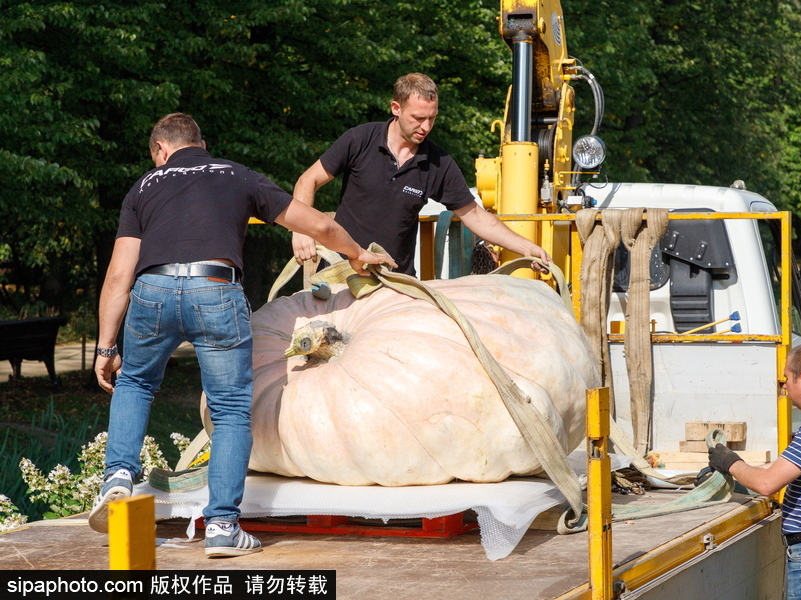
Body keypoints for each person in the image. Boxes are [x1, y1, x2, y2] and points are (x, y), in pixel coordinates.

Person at [89, 113, 394, 557]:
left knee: (135, 382)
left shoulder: (144, 187)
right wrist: (357, 254)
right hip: (215, 288)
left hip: (152, 290)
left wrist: (105, 346)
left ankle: (117, 476)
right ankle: (222, 527)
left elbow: (118, 275)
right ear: (202, 144)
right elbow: (320, 227)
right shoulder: (236, 175)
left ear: (160, 151)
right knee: (230, 408)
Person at [290, 72, 551, 276]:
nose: (426, 127)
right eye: (418, 118)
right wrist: (301, 230)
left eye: (432, 118)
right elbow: (308, 180)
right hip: (340, 271)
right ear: (396, 108)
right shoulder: (360, 139)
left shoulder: (439, 163)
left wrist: (527, 248)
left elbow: (476, 217)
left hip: (393, 279)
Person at [708, 342, 801, 599]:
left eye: (786, 378)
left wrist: (730, 462)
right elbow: (779, 468)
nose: (783, 386)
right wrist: (738, 469)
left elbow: (768, 483)